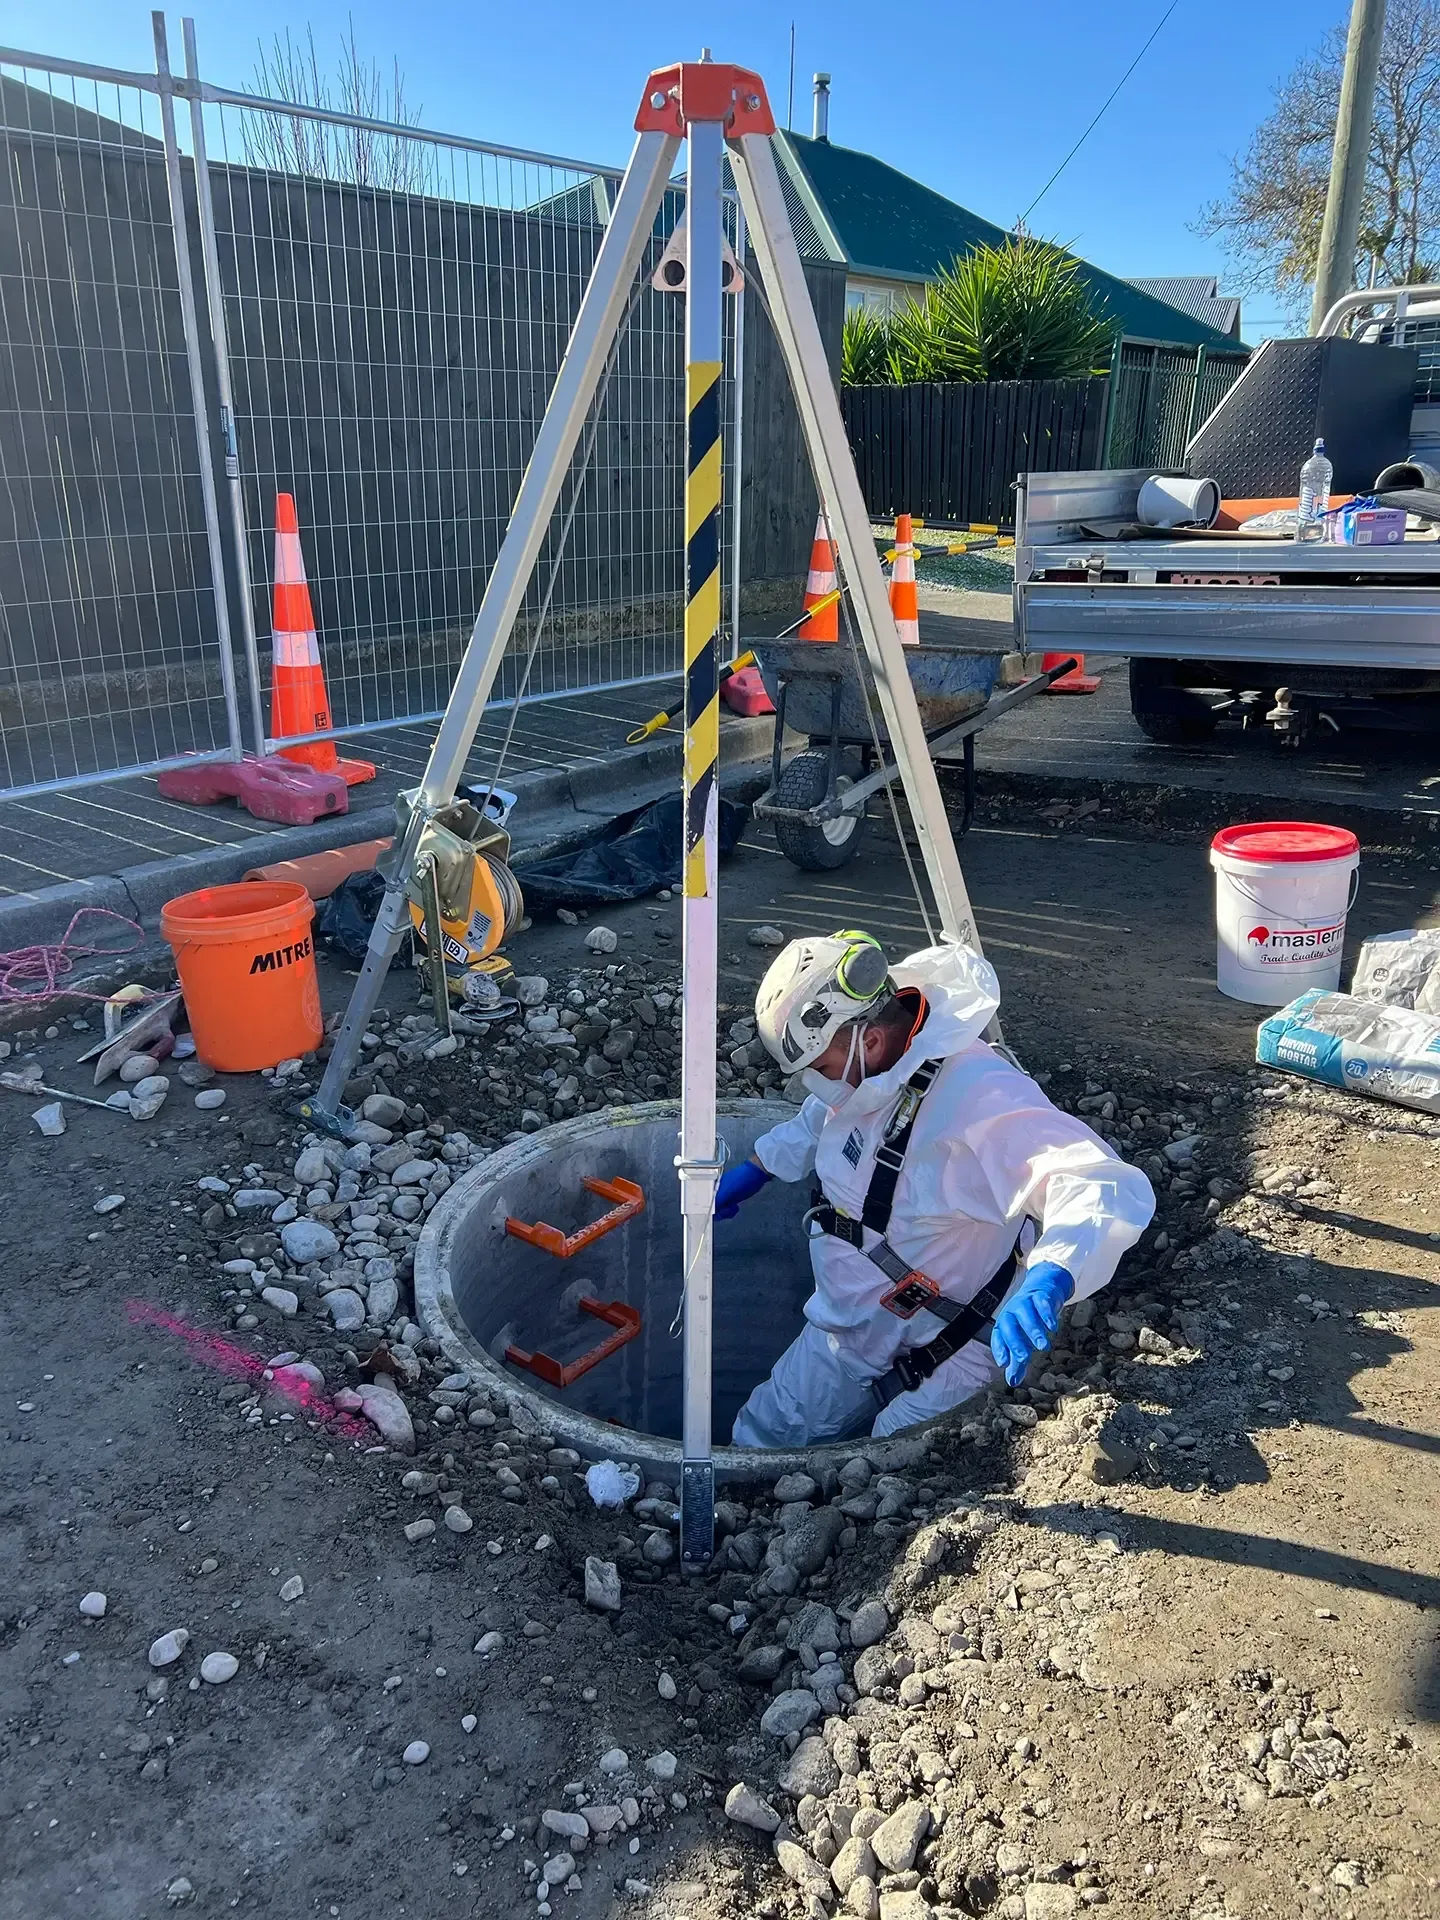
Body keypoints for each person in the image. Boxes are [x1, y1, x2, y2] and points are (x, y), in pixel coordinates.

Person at [718, 931, 1155, 1446]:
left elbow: (1091, 1179)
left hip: (958, 1340)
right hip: (851, 1328)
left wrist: (1055, 1271)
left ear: (869, 1040)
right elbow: (832, 1114)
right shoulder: (875, 1067)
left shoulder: (977, 1100)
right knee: (760, 1435)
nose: (817, 1084)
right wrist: (762, 1164)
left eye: (820, 1069)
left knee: (886, 1461)